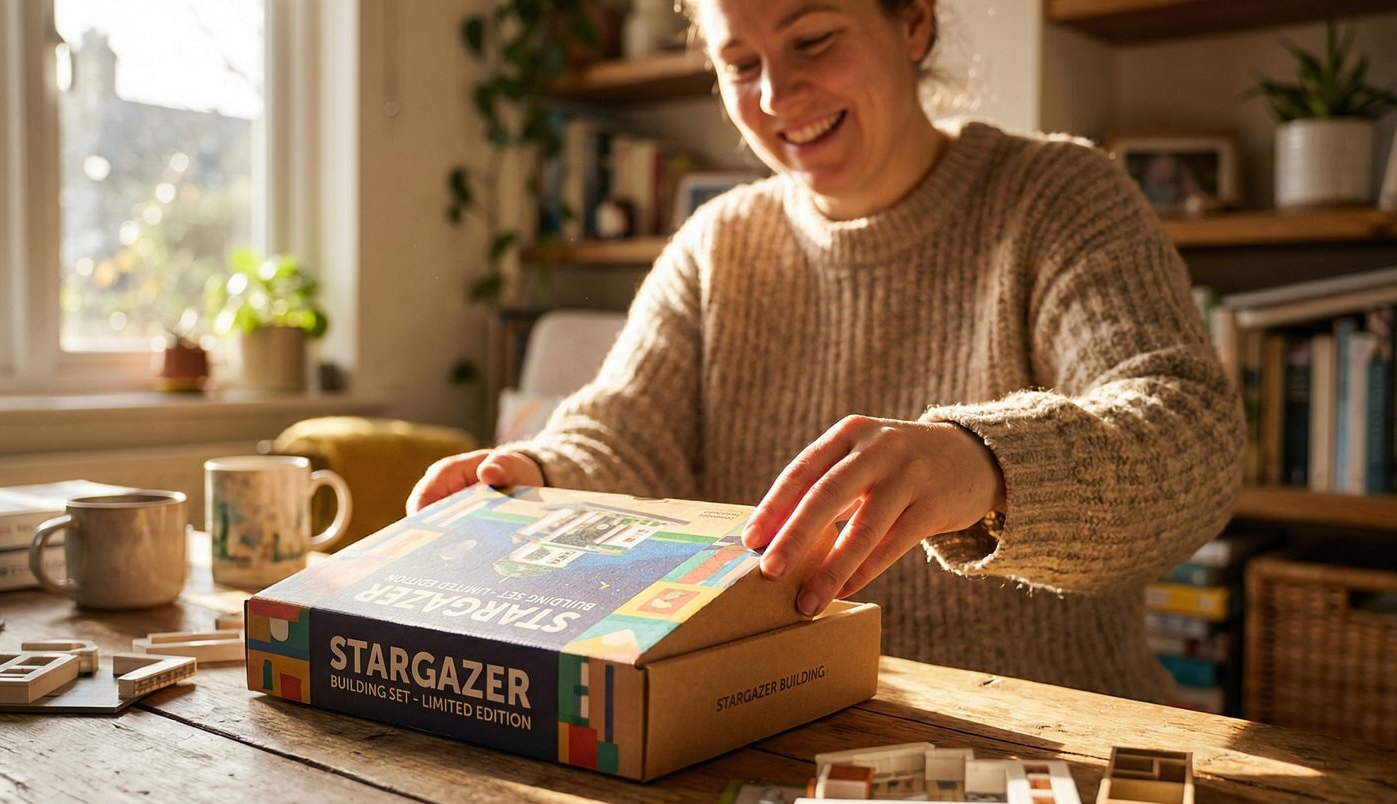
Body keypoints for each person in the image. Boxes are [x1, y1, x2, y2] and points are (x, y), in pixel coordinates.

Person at [410, 0, 1244, 702]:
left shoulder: (1059, 196)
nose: (777, 94)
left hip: (1048, 741)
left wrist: (982, 462)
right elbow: (624, 436)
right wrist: (534, 479)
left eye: (813, 40)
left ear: (913, 23)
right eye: (741, 64)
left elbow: (1190, 434)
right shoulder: (718, 244)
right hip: (769, 727)